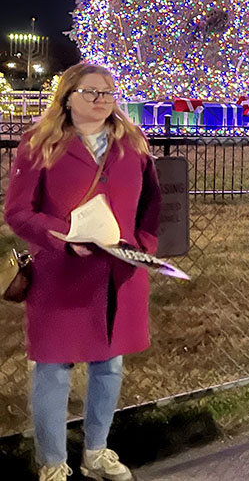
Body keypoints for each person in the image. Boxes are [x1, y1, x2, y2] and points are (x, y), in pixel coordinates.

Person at [4, 63, 162, 481]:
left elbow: (152, 204)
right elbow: (18, 212)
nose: (101, 100)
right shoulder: (39, 143)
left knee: (109, 365)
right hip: (60, 275)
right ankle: (53, 463)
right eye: (90, 92)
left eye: (107, 93)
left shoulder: (133, 143)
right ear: (67, 96)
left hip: (118, 275)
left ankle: (97, 452)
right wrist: (59, 237)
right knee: (53, 371)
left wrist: (143, 248)